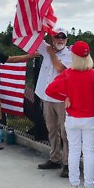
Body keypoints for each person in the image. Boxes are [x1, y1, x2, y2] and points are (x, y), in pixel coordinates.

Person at [45, 41, 94, 188]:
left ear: (73, 56)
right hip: (90, 120)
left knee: (74, 151)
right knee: (89, 152)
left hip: (72, 119)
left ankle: (74, 186)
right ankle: (89, 187)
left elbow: (49, 91)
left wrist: (65, 97)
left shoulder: (67, 74)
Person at [35, 28, 72, 178]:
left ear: (67, 40)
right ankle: (54, 158)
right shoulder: (47, 48)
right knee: (51, 129)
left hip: (62, 99)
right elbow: (35, 38)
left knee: (65, 131)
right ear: (52, 38)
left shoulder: (69, 55)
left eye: (63, 37)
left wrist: (51, 53)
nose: (60, 39)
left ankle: (68, 163)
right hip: (46, 97)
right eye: (57, 36)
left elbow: (59, 68)